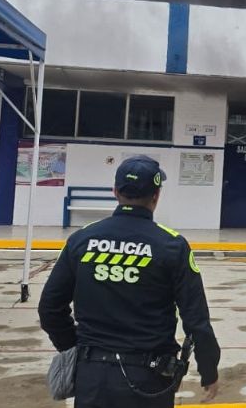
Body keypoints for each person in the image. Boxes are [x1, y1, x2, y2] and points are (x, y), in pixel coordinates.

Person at [38, 155, 221, 407]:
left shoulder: (82, 240)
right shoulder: (171, 246)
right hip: (149, 380)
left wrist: (76, 350)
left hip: (93, 376)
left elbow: (49, 308)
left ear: (115, 191)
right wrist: (209, 370)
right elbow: (196, 319)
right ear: (156, 196)